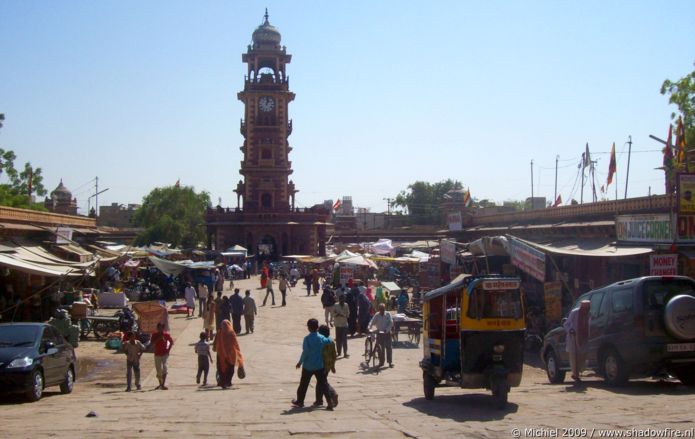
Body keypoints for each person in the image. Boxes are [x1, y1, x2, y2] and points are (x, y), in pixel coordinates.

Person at [292, 318, 334, 410]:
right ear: (317, 327)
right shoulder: (322, 338)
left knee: (303, 384)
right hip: (319, 366)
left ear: (309, 328)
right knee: (324, 384)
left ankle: (300, 401)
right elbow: (330, 341)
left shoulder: (307, 339)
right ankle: (329, 402)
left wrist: (300, 362)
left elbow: (305, 352)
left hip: (308, 366)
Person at [564, 300, 590, 384]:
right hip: (573, 338)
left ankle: (577, 373)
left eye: (587, 308)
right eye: (584, 308)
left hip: (584, 338)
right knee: (574, 358)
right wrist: (570, 330)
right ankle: (576, 375)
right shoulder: (574, 313)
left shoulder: (588, 315)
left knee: (582, 358)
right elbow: (566, 324)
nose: (585, 310)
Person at [214, 319, 244, 389]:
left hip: (221, 355)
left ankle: (222, 382)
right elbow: (235, 343)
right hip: (231, 354)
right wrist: (238, 353)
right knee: (230, 369)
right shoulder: (231, 333)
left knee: (221, 369)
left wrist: (215, 348)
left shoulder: (219, 332)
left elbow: (216, 342)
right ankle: (228, 382)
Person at [314, 324, 338, 408]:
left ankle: (332, 393)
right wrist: (333, 366)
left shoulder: (321, 341)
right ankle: (319, 400)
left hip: (321, 365)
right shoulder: (331, 341)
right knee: (320, 382)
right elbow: (334, 355)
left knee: (322, 382)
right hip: (328, 365)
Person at [368, 304, 394, 368]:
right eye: (380, 309)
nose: (382, 311)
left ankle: (390, 362)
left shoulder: (388, 314)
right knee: (380, 349)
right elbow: (372, 322)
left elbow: (391, 323)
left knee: (389, 348)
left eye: (383, 309)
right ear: (379, 309)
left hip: (387, 333)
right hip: (379, 333)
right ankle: (381, 362)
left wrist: (387, 330)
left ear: (384, 309)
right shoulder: (377, 315)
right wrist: (369, 327)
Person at [151, 322, 174, 389]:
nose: (160, 329)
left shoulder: (166, 335)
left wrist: (168, 350)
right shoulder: (154, 335)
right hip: (157, 354)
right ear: (157, 328)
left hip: (164, 354)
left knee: (165, 368)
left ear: (163, 328)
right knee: (158, 370)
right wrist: (159, 338)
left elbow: (171, 342)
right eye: (159, 328)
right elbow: (152, 343)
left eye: (161, 328)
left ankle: (163, 384)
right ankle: (160, 383)